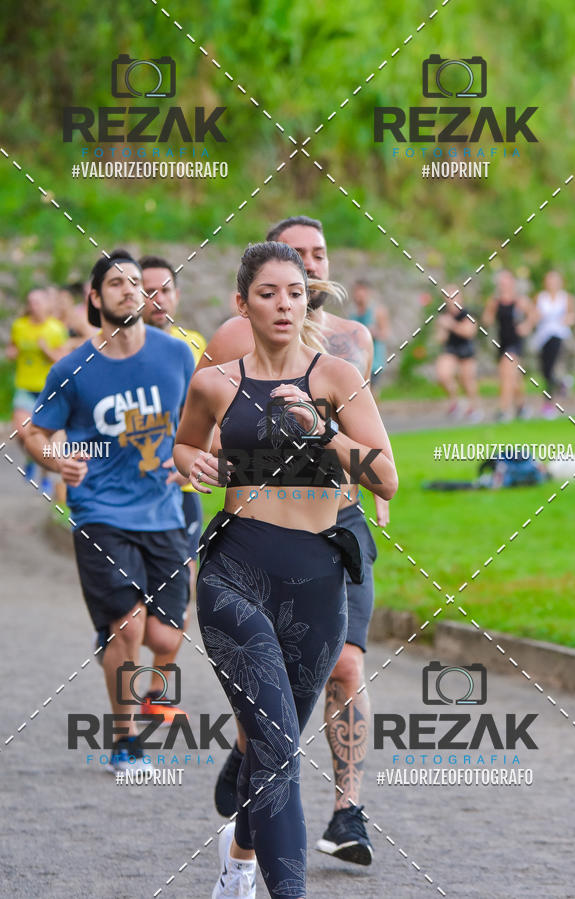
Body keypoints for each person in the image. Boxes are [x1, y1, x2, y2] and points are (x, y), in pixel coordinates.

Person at [173, 241, 397, 899]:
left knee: (275, 748)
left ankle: (239, 860)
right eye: (267, 293)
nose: (283, 305)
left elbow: (385, 476)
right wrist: (192, 462)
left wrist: (323, 432)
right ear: (242, 304)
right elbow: (184, 443)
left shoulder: (337, 378)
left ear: (308, 300)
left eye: (295, 293)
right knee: (273, 745)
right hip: (235, 571)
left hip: (318, 579)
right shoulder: (215, 381)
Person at [24, 250, 195, 773]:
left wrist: (192, 460)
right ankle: (125, 742)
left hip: (164, 512)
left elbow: (203, 417)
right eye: (116, 283)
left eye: (136, 282)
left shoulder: (176, 354)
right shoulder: (72, 368)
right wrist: (56, 460)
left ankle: (124, 654)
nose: (129, 290)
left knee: (165, 637)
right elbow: (35, 432)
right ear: (95, 298)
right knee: (129, 629)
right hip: (99, 511)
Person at [140, 255, 208, 717]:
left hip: (178, 494)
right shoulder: (115, 349)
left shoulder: (195, 345)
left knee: (180, 593)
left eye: (164, 290)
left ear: (177, 296)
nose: (157, 299)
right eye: (147, 291)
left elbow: (209, 413)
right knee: (128, 604)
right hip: (126, 495)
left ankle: (156, 694)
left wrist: (191, 463)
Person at [7, 287, 68, 492]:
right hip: (25, 386)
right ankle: (31, 459)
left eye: (38, 302)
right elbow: (13, 347)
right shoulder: (19, 325)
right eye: (31, 302)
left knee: (47, 437)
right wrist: (12, 352)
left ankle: (45, 474)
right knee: (22, 431)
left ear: (46, 304)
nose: (34, 306)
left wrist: (46, 349)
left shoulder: (55, 329)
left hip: (48, 391)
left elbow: (63, 360)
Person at [482, 270, 536, 422]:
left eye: (506, 282)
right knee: (514, 378)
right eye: (501, 283)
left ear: (512, 283)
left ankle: (503, 410)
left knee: (506, 375)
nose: (503, 286)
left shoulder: (520, 301)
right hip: (502, 343)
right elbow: (487, 319)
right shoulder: (495, 301)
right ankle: (522, 407)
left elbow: (534, 315)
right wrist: (489, 313)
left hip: (516, 343)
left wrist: (526, 325)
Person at [531, 270, 575, 418]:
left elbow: (573, 316)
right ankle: (561, 383)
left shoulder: (566, 298)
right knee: (545, 370)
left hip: (559, 334)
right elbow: (533, 316)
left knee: (550, 368)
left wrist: (566, 319)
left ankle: (548, 403)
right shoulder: (540, 297)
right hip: (543, 336)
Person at [434, 285, 481, 421]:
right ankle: (455, 400)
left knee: (467, 380)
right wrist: (441, 328)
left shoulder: (467, 314)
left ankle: (473, 407)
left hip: (466, 349)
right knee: (443, 374)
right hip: (451, 348)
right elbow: (440, 338)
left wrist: (451, 325)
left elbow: (469, 332)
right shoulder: (444, 315)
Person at [350, 279, 390, 396]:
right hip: (357, 360)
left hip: (374, 361)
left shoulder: (378, 311)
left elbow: (385, 334)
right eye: (356, 291)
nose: (358, 295)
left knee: (371, 392)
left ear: (368, 293)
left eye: (361, 291)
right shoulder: (353, 314)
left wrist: (372, 333)